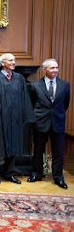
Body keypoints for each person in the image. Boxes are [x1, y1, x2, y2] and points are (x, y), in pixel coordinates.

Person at [0, 53, 35, 185]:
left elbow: (25, 98)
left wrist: (27, 117)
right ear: (2, 63)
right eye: (10, 60)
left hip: (15, 119)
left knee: (13, 145)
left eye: (14, 60)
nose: (14, 62)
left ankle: (9, 173)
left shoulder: (19, 78)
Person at [28, 58, 70, 189]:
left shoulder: (65, 85)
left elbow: (65, 104)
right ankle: (36, 174)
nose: (55, 70)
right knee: (38, 150)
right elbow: (32, 103)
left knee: (58, 152)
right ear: (44, 69)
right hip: (40, 122)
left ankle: (58, 177)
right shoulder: (35, 85)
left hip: (58, 122)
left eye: (56, 68)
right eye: (52, 68)